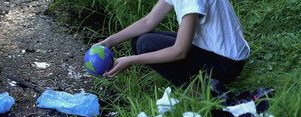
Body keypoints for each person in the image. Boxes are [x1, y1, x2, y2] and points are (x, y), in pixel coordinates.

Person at [94, 0, 250, 89]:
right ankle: (196, 83)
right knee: (139, 41)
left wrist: (131, 61)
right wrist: (109, 41)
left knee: (144, 45)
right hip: (212, 49)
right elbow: (148, 22)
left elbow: (179, 51)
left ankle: (198, 91)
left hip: (226, 63)